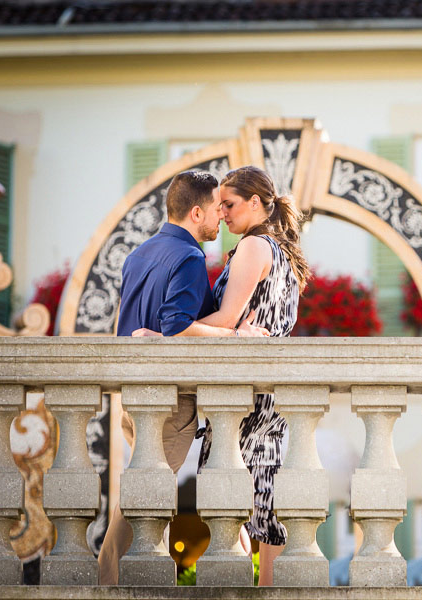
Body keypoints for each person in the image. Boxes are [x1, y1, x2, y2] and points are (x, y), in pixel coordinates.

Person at [134, 165, 310, 586]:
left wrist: (166, 334)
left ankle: (263, 588)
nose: (222, 213)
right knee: (260, 493)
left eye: (228, 205)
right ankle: (266, 586)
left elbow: (230, 318)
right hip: (268, 387)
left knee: (243, 495)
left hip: (247, 387)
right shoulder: (278, 250)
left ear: (255, 203)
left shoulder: (253, 247)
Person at [98, 170, 269, 585]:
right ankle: (107, 581)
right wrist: (233, 333)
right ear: (196, 212)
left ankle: (110, 578)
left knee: (139, 491)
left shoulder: (139, 254)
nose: (220, 219)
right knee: (144, 500)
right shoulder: (191, 257)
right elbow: (175, 326)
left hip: (134, 396)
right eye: (216, 209)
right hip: (169, 402)